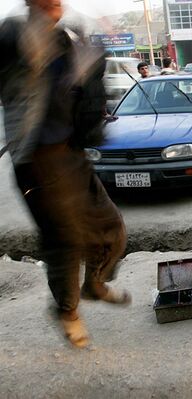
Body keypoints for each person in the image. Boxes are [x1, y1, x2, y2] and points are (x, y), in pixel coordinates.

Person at [0, 0, 130, 349]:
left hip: (71, 155)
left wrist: (92, 57)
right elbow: (27, 52)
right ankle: (67, 311)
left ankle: (95, 284)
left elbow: (86, 89)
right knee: (65, 243)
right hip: (37, 160)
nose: (55, 3)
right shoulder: (12, 34)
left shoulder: (68, 39)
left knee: (112, 228)